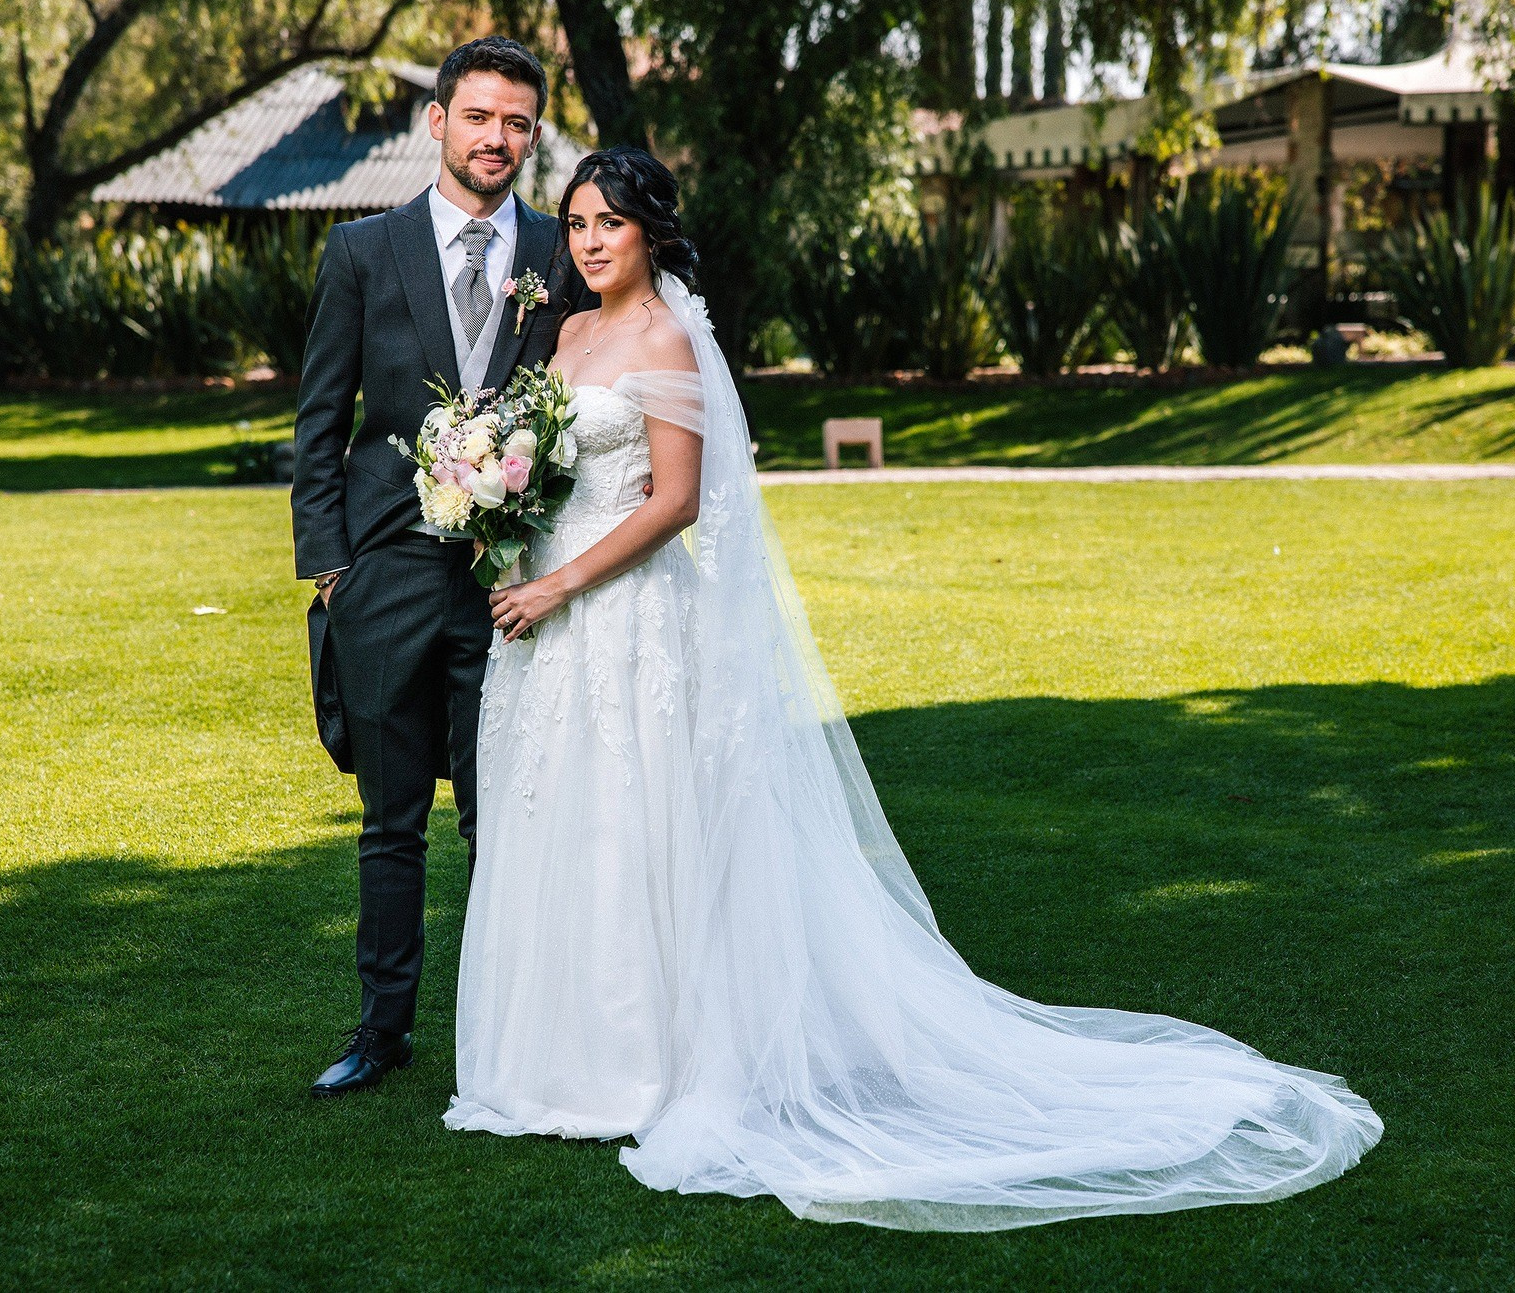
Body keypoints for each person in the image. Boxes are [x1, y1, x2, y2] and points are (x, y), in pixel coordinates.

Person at [446, 146, 1385, 1231]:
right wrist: (501, 530)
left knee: (641, 822)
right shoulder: (563, 335)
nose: (590, 241)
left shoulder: (665, 336)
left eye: (609, 222)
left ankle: (646, 1069)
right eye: (574, 225)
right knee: (562, 821)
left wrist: (561, 579)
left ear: (650, 230)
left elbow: (676, 503)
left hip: (624, 615)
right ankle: (553, 1065)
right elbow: (547, 468)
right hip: (546, 621)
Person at [290, 37, 589, 1099]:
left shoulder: (566, 253)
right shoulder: (363, 253)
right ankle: (380, 1032)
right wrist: (331, 571)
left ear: (533, 133)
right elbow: (320, 421)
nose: (497, 138)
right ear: (438, 122)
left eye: (517, 122)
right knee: (390, 823)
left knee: (506, 814)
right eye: (479, 117)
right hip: (381, 580)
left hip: (511, 587)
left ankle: (518, 1033)